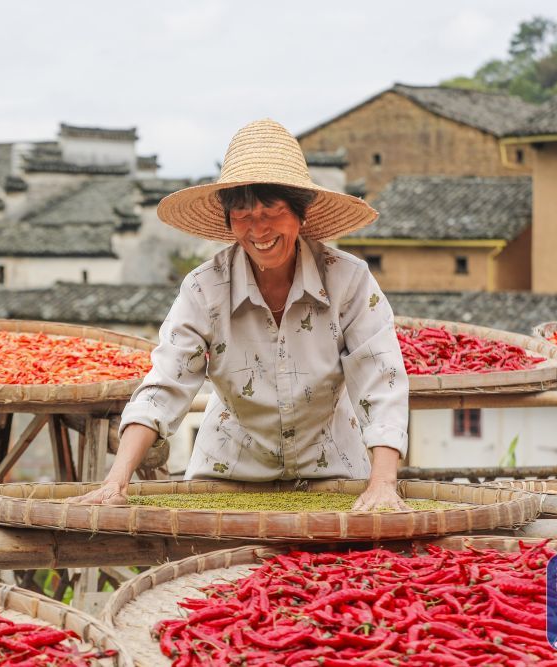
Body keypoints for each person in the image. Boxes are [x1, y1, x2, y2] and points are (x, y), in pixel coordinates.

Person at [72, 119, 409, 510]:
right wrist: (117, 481)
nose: (258, 228)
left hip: (332, 468)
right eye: (243, 214)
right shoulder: (205, 288)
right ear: (229, 221)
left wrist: (383, 483)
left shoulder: (347, 280)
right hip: (228, 472)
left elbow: (379, 378)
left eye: (272, 210)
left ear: (300, 215)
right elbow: (166, 382)